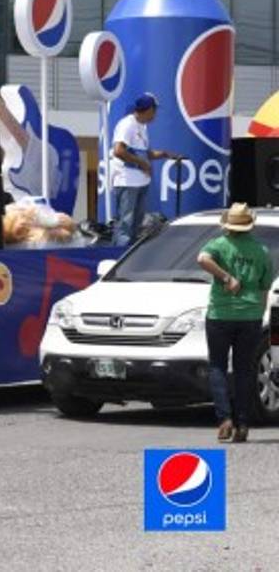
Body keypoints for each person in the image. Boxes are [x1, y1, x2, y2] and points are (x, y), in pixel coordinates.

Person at [197, 203, 273, 443]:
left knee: (218, 367)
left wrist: (225, 277)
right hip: (250, 316)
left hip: (220, 314)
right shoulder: (261, 250)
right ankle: (242, 423)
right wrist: (259, 314)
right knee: (244, 370)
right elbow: (264, 288)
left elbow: (202, 258)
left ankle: (224, 418)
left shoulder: (219, 244)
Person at [110, 92, 179, 246]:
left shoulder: (143, 127)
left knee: (136, 223)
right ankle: (119, 257)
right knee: (126, 224)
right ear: (148, 109)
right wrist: (142, 163)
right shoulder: (127, 124)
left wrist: (163, 154)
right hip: (127, 181)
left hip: (140, 182)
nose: (155, 114)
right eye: (155, 110)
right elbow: (119, 151)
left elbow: (144, 153)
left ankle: (129, 256)